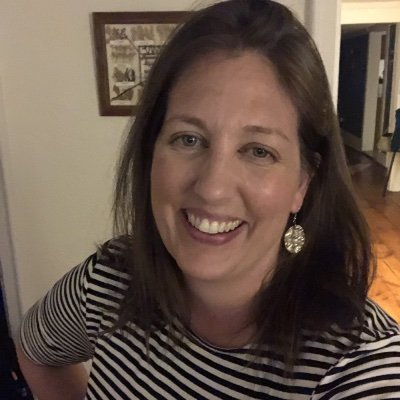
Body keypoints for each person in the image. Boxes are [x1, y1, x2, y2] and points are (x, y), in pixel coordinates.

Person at [17, 0, 400, 399]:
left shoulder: (361, 368)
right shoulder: (109, 281)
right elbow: (36, 351)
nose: (212, 187)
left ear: (303, 181)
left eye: (258, 151)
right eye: (188, 139)